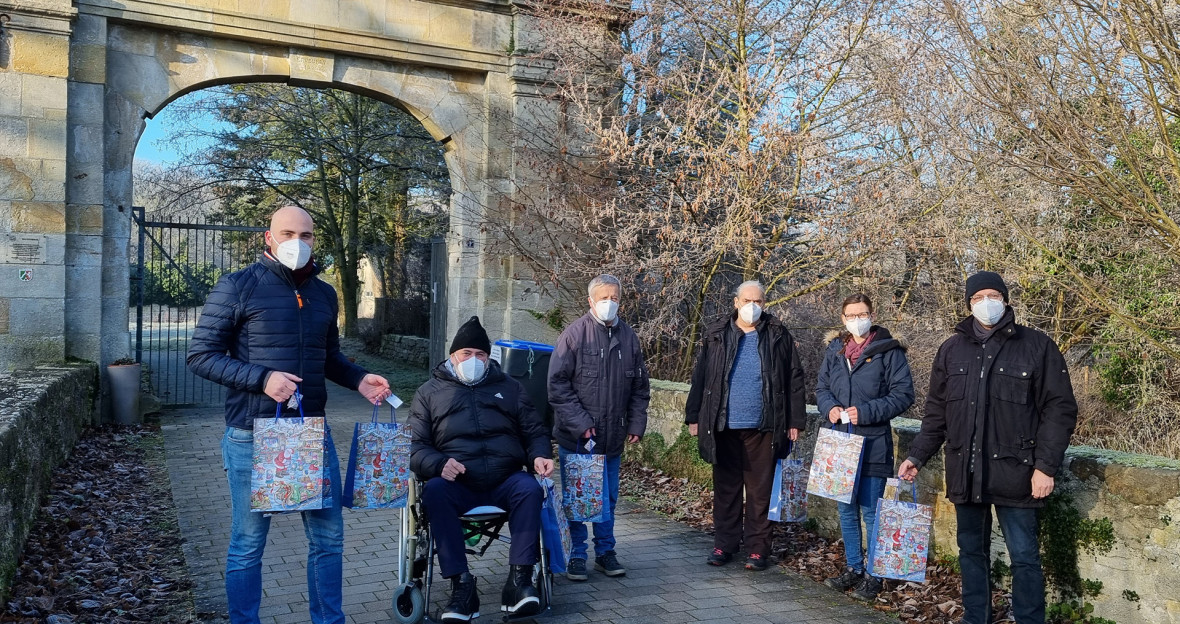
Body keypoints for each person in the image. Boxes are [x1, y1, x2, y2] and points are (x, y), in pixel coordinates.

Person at [187, 205, 392, 624]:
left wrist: (359, 380)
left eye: (306, 235)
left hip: (311, 434)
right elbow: (200, 356)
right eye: (287, 233)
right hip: (252, 434)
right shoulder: (237, 286)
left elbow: (328, 356)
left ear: (314, 239)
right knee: (247, 543)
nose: (297, 242)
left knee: (329, 539)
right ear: (269, 237)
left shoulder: (324, 293)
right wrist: (261, 378)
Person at [898, 271, 1077, 624]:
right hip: (966, 470)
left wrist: (1045, 467)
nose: (986, 303)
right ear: (968, 304)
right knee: (971, 553)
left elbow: (1060, 409)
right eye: (977, 298)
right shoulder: (951, 349)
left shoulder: (1037, 346)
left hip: (1018, 472)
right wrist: (917, 455)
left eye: (992, 295)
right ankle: (975, 618)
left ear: (1006, 300)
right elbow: (936, 413)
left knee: (1024, 556)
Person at [409, 316, 554, 624]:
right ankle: (461, 587)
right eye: (467, 354)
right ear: (453, 356)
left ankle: (519, 581)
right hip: (458, 483)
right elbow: (415, 447)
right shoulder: (428, 393)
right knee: (434, 491)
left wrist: (540, 454)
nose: (474, 360)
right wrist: (438, 464)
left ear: (490, 358)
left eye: (481, 355)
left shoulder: (510, 388)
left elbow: (534, 430)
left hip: (505, 478)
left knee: (529, 488)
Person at [684, 280, 806, 571]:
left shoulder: (778, 334)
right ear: (736, 302)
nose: (753, 306)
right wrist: (694, 415)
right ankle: (724, 545)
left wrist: (795, 420)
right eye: (747, 301)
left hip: (764, 427)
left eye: (759, 301)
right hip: (723, 425)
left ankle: (757, 549)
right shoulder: (716, 334)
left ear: (765, 304)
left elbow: (794, 378)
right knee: (726, 490)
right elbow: (701, 376)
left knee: (759, 492)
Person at [548, 274, 651, 581]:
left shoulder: (629, 337)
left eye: (615, 298)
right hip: (579, 439)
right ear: (590, 301)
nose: (610, 303)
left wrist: (636, 423)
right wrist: (581, 424)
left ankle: (605, 552)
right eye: (604, 297)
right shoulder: (574, 335)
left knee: (608, 498)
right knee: (578, 498)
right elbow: (557, 386)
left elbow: (640, 388)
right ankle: (576, 554)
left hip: (612, 439)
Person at [815, 293, 915, 601]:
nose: (858, 319)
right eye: (851, 315)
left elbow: (903, 394)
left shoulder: (889, 351)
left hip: (873, 444)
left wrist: (867, 412)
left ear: (872, 315)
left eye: (863, 314)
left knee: (872, 511)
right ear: (843, 319)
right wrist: (829, 407)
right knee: (846, 510)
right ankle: (854, 568)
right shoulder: (835, 350)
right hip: (839, 442)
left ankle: (874, 575)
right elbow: (821, 388)